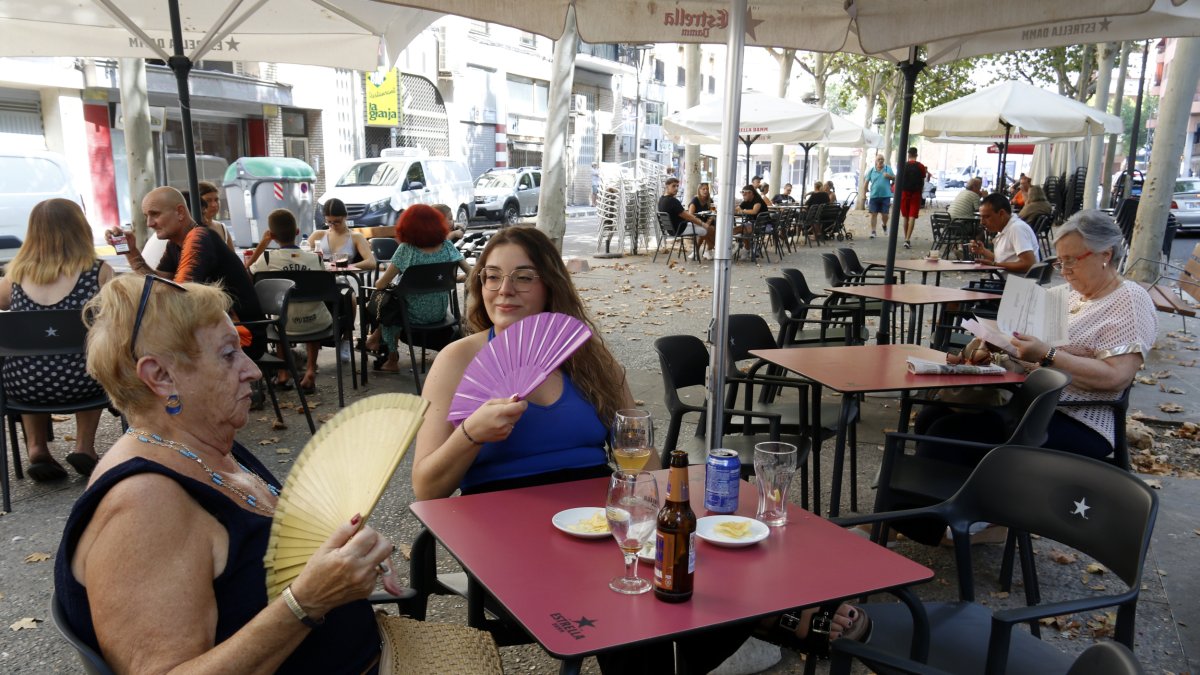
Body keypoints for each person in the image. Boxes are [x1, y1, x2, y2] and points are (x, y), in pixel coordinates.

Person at [411, 227, 869, 670]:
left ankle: (759, 611)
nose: (503, 289)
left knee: (678, 555)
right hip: (506, 534)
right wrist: (471, 432)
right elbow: (426, 488)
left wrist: (668, 506)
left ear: (549, 285)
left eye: (523, 276)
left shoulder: (586, 358)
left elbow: (640, 454)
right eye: (490, 275)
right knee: (629, 593)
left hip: (600, 516)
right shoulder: (458, 360)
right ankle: (772, 615)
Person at [54, 274, 402, 674]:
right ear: (161, 377)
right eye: (227, 354)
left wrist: (345, 552)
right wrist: (307, 601)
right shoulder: (143, 505)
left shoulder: (207, 447)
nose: (253, 371)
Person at [940, 210, 1157, 462]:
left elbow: (1116, 377)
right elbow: (1036, 352)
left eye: (1072, 260)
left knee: (947, 436)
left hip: (1079, 418)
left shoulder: (1128, 299)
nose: (1064, 271)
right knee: (936, 417)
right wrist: (1003, 345)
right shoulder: (1070, 294)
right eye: (1060, 262)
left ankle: (972, 499)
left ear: (1105, 255)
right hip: (1031, 401)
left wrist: (1047, 354)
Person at [0, 199, 112, 481]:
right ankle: (84, 447)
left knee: (29, 357)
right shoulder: (98, 272)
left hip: (23, 387)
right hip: (84, 383)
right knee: (95, 358)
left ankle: (36, 448)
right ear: (80, 228)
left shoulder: (14, 275)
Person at [106, 186, 267, 360]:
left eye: (155, 214)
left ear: (180, 212)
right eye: (147, 216)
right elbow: (156, 283)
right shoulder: (175, 243)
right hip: (216, 331)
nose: (149, 223)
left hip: (240, 337)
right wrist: (131, 252)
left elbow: (177, 296)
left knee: (143, 351)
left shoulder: (199, 238)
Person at [369, 204, 471, 374]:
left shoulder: (406, 250)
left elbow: (380, 284)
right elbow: (470, 272)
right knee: (395, 305)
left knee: (389, 309)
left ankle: (391, 359)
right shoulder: (447, 246)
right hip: (440, 314)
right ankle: (374, 340)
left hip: (413, 317)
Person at [247, 209, 332, 393]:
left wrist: (262, 244)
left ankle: (283, 373)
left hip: (285, 325)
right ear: (297, 232)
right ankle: (310, 370)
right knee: (311, 306)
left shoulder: (267, 259)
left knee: (279, 314)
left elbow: (245, 273)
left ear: (272, 236)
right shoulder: (315, 259)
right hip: (317, 324)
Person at [967, 192, 1039, 274]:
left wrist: (994, 265)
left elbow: (1029, 264)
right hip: (1006, 282)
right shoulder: (1006, 228)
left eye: (986, 217)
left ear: (1001, 213)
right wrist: (983, 251)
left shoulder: (1016, 228)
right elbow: (1003, 260)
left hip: (1015, 285)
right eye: (981, 217)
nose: (982, 222)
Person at [309, 198, 377, 271]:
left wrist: (346, 267)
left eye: (337, 222)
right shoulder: (318, 235)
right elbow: (301, 256)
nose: (333, 225)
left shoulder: (356, 237)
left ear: (345, 217)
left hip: (341, 277)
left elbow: (371, 262)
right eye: (329, 222)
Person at [658, 177, 716, 260]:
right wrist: (702, 223)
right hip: (680, 228)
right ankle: (711, 248)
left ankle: (704, 251)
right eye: (673, 186)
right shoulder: (673, 201)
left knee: (706, 228)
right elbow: (689, 216)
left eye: (677, 186)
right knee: (707, 229)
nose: (676, 189)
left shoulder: (661, 199)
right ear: (667, 186)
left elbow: (682, 214)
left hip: (670, 229)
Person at [899, 147, 929, 250]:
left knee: (905, 217)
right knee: (912, 216)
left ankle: (905, 238)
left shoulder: (903, 165)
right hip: (916, 193)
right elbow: (923, 180)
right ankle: (907, 239)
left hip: (904, 192)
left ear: (908, 154)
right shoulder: (920, 166)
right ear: (916, 155)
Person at [198, 180, 236, 249]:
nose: (214, 205)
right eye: (208, 200)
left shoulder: (222, 228)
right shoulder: (189, 229)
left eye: (216, 200)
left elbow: (233, 258)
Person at [863, 154, 894, 238]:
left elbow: (895, 178)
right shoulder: (872, 170)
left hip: (886, 196)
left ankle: (884, 225)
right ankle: (873, 231)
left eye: (882, 159)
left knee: (885, 214)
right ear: (875, 161)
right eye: (879, 159)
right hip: (874, 195)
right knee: (874, 214)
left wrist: (889, 176)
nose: (880, 161)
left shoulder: (888, 169)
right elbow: (866, 183)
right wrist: (864, 195)